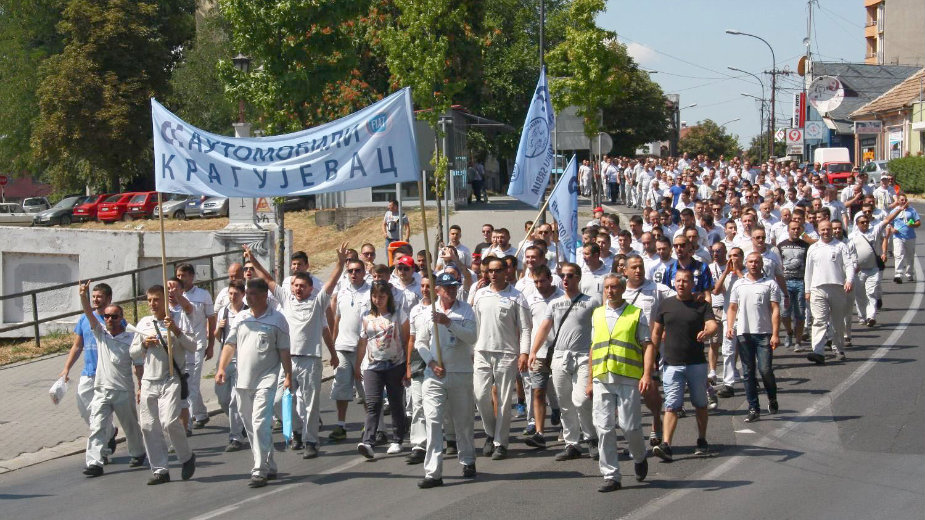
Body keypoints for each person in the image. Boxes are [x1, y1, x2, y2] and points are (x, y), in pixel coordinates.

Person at [246, 243, 345, 459]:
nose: (298, 289)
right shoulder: (286, 299)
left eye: (302, 286)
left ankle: (310, 440)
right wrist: (254, 262)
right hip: (287, 360)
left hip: (310, 360)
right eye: (295, 285)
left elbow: (331, 283)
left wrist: (340, 263)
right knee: (278, 400)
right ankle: (297, 430)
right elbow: (269, 281)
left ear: (310, 289)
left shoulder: (318, 302)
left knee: (310, 404)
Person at [216, 278, 292, 488]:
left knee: (260, 423)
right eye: (247, 294)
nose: (247, 297)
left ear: (263, 296)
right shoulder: (241, 318)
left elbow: (284, 350)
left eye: (252, 294)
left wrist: (288, 375)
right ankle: (269, 462)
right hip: (243, 379)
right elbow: (230, 344)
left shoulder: (278, 320)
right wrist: (221, 367)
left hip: (267, 379)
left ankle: (259, 469)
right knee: (250, 424)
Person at [527, 262, 599, 462]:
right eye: (563, 276)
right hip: (559, 356)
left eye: (570, 276)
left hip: (583, 355)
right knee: (564, 402)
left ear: (578, 278)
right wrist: (533, 350)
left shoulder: (592, 302)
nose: (565, 279)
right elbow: (544, 326)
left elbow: (599, 328)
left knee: (582, 399)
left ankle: (591, 438)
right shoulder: (554, 303)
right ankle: (572, 443)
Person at [588, 274, 653, 492]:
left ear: (622, 289)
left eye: (614, 287)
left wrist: (647, 374)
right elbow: (593, 347)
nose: (610, 291)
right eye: (606, 287)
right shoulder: (597, 314)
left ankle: (639, 455)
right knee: (604, 428)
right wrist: (590, 379)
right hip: (602, 377)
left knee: (629, 426)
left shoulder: (636, 314)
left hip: (627, 376)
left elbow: (647, 345)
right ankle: (611, 475)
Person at [130, 283, 198, 485]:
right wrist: (143, 344)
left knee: (169, 421)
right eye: (149, 300)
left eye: (156, 299)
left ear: (166, 300)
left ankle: (186, 457)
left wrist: (176, 331)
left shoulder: (178, 319)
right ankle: (160, 470)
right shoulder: (144, 323)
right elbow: (132, 353)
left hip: (171, 378)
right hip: (149, 380)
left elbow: (193, 346)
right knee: (148, 425)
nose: (152, 304)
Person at [76, 280, 146, 477]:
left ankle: (138, 452)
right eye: (106, 316)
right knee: (97, 426)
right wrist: (83, 296)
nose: (109, 319)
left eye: (114, 317)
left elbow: (138, 366)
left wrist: (141, 386)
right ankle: (94, 462)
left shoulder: (131, 339)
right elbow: (90, 316)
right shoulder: (101, 335)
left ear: (121, 318)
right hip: (102, 390)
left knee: (130, 426)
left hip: (123, 391)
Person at [415, 272, 479, 488]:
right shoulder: (426, 313)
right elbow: (420, 343)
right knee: (433, 421)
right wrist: (431, 363)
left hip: (460, 372)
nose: (452, 290)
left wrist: (449, 323)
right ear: (438, 290)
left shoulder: (466, 310)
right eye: (447, 287)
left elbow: (472, 337)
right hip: (434, 375)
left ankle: (468, 460)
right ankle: (433, 473)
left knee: (463, 420)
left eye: (454, 286)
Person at [650, 270, 719, 461]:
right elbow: (656, 332)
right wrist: (653, 354)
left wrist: (707, 332)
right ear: (674, 282)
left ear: (692, 283)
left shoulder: (700, 304)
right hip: (672, 364)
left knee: (699, 403)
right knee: (671, 405)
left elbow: (713, 325)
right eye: (678, 281)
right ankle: (666, 444)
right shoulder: (666, 304)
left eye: (685, 281)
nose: (681, 284)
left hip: (696, 363)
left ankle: (702, 439)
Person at [472, 257, 531, 460]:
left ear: (506, 271)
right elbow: (475, 325)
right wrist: (473, 350)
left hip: (506, 353)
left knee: (505, 401)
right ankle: (490, 432)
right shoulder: (480, 294)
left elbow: (525, 328)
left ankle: (500, 442)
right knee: (480, 396)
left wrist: (524, 353)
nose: (494, 274)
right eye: (490, 271)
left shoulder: (517, 297)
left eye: (498, 270)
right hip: (482, 351)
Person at [58, 282, 117, 462]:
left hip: (107, 375)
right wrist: (66, 368)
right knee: (85, 408)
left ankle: (102, 450)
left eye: (99, 297)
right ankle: (110, 432)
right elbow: (77, 345)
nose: (95, 300)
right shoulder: (84, 319)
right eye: (93, 296)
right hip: (88, 373)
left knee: (99, 413)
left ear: (108, 299)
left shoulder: (113, 319)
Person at [355, 281, 409, 459]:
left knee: (395, 402)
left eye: (382, 296)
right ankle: (368, 441)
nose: (378, 300)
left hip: (395, 364)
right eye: (375, 296)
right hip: (373, 366)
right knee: (373, 403)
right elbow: (362, 342)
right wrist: (357, 365)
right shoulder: (366, 317)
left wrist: (408, 366)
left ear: (389, 297)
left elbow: (408, 339)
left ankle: (397, 439)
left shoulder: (398, 315)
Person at [727, 253, 782, 423]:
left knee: (765, 370)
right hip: (744, 333)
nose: (753, 264)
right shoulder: (739, 284)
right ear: (746, 264)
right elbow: (732, 307)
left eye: (757, 262)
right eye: (750, 262)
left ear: (761, 264)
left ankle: (772, 398)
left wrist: (775, 333)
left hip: (764, 333)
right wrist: (730, 327)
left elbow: (775, 309)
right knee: (748, 372)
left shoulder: (770, 283)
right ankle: (753, 407)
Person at [329, 257, 371, 441]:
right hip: (342, 347)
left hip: (363, 347)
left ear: (364, 272)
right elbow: (337, 320)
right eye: (351, 271)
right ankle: (340, 425)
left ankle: (372, 426)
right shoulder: (342, 293)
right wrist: (332, 345)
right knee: (341, 388)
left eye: (357, 270)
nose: (354, 274)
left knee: (365, 390)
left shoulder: (370, 293)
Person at [522, 265, 563, 447]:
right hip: (538, 353)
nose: (539, 285)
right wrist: (525, 351)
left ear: (550, 279)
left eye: (542, 281)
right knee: (538, 391)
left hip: (560, 351)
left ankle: (565, 426)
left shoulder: (563, 297)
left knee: (562, 392)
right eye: (536, 281)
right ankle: (539, 432)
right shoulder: (530, 299)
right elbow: (525, 327)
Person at [804, 220, 855, 365]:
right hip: (818, 288)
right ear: (818, 230)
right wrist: (807, 290)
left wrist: (849, 280)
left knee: (837, 323)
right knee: (819, 321)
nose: (826, 232)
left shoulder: (841, 246)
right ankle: (818, 351)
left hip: (837, 288)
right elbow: (809, 272)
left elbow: (849, 265)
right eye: (823, 229)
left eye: (828, 229)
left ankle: (838, 348)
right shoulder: (813, 248)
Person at [174, 263, 216, 432]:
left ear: (192, 277)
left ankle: (187, 424)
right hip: (180, 345)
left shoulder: (203, 295)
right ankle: (201, 414)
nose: (180, 279)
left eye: (183, 276)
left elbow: (211, 319)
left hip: (197, 344)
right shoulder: (172, 296)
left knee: (191, 383)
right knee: (189, 383)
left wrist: (211, 344)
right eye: (178, 276)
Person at [850, 203, 905, 326]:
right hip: (858, 270)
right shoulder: (852, 236)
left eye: (866, 222)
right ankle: (862, 316)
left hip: (873, 269)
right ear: (857, 224)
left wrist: (898, 209)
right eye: (862, 222)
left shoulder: (874, 230)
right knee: (860, 296)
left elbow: (887, 220)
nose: (865, 224)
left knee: (871, 293)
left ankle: (871, 316)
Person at [213, 279, 248, 452]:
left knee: (235, 399)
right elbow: (217, 337)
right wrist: (219, 328)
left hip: (242, 360)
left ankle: (235, 437)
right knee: (222, 397)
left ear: (243, 295)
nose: (233, 297)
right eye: (230, 293)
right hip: (225, 360)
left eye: (236, 294)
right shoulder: (224, 312)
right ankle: (239, 423)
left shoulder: (248, 312)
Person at [890, 194, 920, 284]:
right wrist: (892, 229)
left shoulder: (912, 210)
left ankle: (909, 274)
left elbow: (918, 222)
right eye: (901, 200)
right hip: (898, 237)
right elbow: (889, 222)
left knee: (910, 257)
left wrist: (913, 225)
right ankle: (898, 275)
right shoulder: (894, 211)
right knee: (898, 255)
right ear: (898, 201)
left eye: (904, 200)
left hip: (910, 237)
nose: (903, 201)